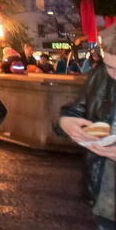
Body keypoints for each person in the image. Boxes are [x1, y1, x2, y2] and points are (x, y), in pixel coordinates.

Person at [58, 24, 116, 229]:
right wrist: (66, 122)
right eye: (110, 67)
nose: (114, 75)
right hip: (105, 195)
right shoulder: (99, 77)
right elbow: (74, 110)